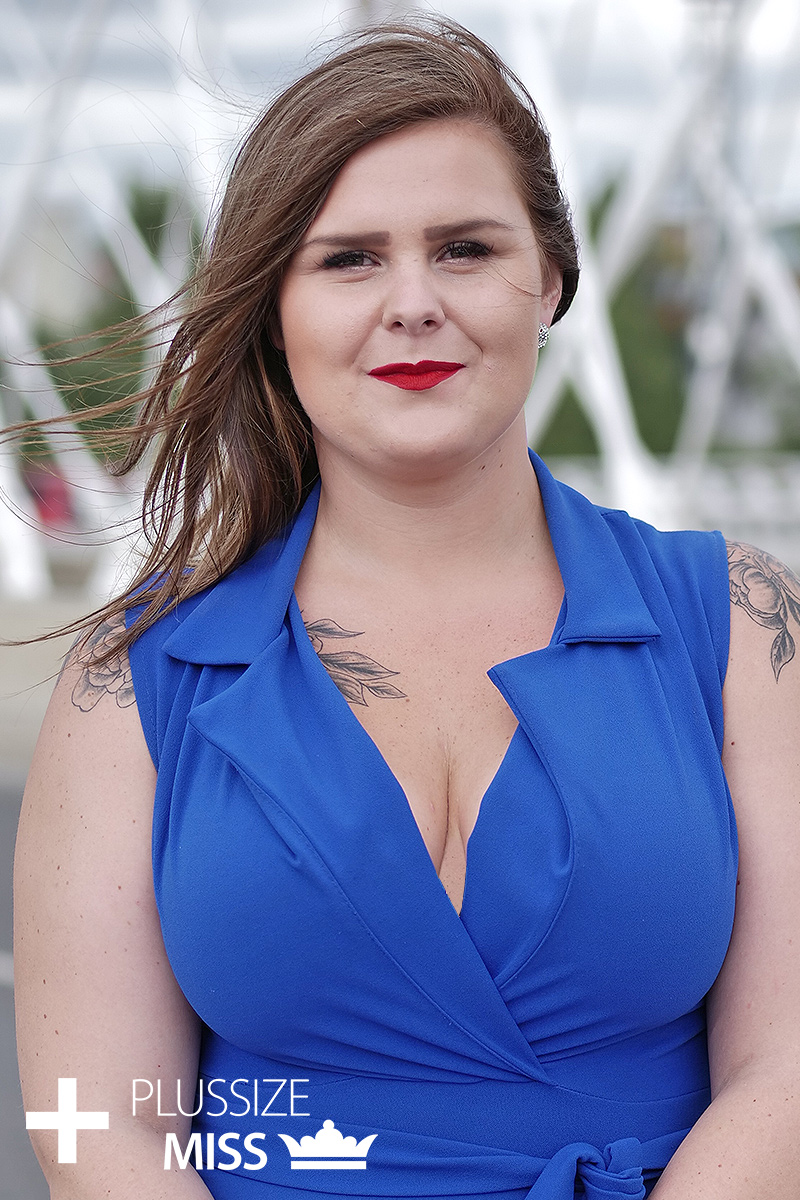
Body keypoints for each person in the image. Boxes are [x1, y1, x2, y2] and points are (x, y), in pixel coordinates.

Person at [13, 17, 800, 1200]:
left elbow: (783, 1070)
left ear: (549, 281)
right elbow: (96, 1125)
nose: (414, 303)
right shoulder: (138, 673)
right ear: (274, 312)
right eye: (349, 260)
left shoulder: (735, 625)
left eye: (464, 248)